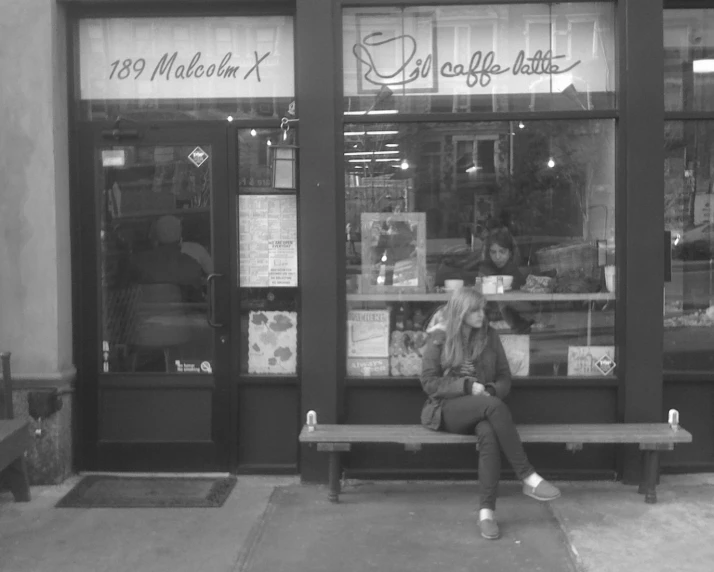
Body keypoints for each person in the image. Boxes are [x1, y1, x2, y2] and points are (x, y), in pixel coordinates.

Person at [419, 287, 561, 540]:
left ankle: (486, 514)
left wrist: (491, 388)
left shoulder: (490, 336)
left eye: (483, 309)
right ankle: (527, 475)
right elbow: (429, 382)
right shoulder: (440, 337)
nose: (481, 315)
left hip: (483, 405)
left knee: (488, 432)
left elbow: (505, 376)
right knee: (493, 406)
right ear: (460, 311)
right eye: (474, 310)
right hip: (447, 409)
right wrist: (466, 386)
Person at [478, 227, 533, 334]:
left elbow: (528, 309)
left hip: (515, 327)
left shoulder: (514, 273)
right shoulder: (484, 269)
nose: (497, 257)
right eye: (493, 252)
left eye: (502, 252)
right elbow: (477, 296)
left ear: (510, 252)